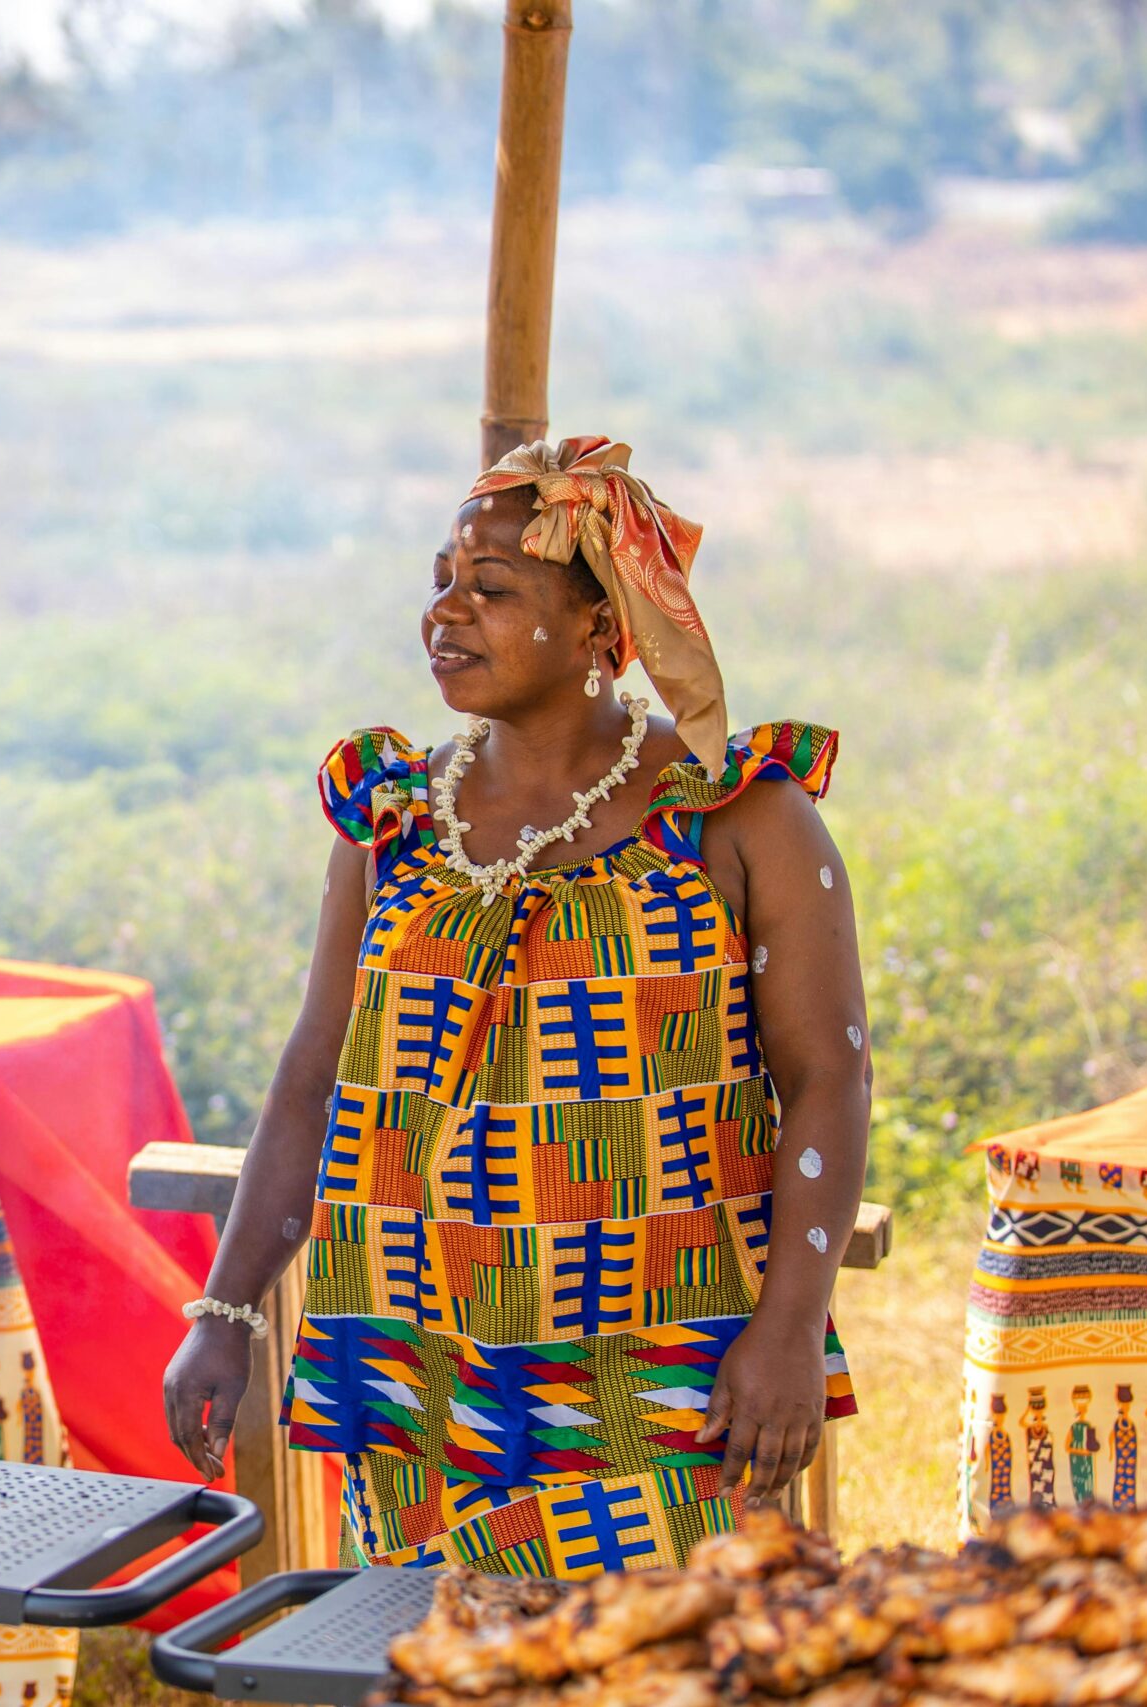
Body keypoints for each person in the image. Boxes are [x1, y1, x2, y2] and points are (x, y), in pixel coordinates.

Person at [163, 438, 867, 1574]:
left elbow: (830, 1081)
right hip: (419, 1367)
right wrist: (225, 1310)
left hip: (663, 1373)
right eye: (441, 579)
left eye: (491, 589)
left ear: (600, 631)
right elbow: (315, 1080)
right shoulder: (390, 821)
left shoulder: (733, 818)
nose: (447, 611)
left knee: (662, 1670)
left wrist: (787, 1328)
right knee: (447, 1668)